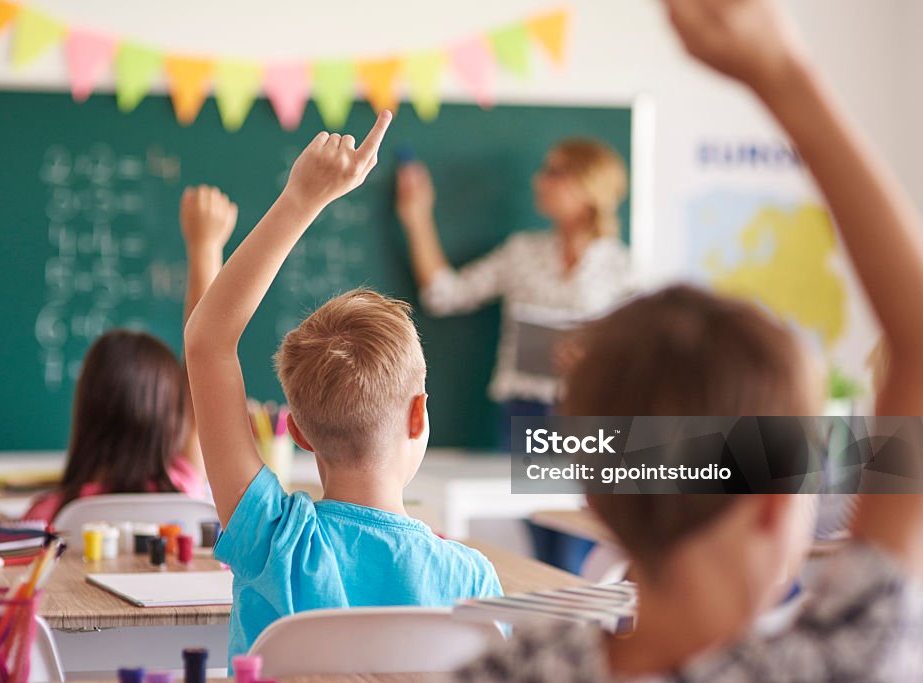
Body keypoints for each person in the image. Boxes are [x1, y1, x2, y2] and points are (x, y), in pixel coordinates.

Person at [455, 0, 923, 680]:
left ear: (593, 493)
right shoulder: (833, 662)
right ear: (773, 506)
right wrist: (784, 75)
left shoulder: (506, 670)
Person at [184, 112, 502, 663]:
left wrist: (301, 199)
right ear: (418, 415)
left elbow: (208, 343)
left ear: (299, 432)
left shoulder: (274, 542)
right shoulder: (471, 581)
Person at [24, 186, 237, 523]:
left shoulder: (49, 516)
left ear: (86, 411)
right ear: (173, 415)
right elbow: (203, 364)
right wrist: (205, 247)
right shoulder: (186, 487)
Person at [396, 138, 633, 422]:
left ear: (587, 186)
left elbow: (642, 353)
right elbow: (443, 295)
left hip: (594, 409)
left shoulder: (623, 268)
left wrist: (596, 356)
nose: (538, 181)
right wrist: (417, 217)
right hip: (524, 412)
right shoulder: (521, 252)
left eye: (554, 172)